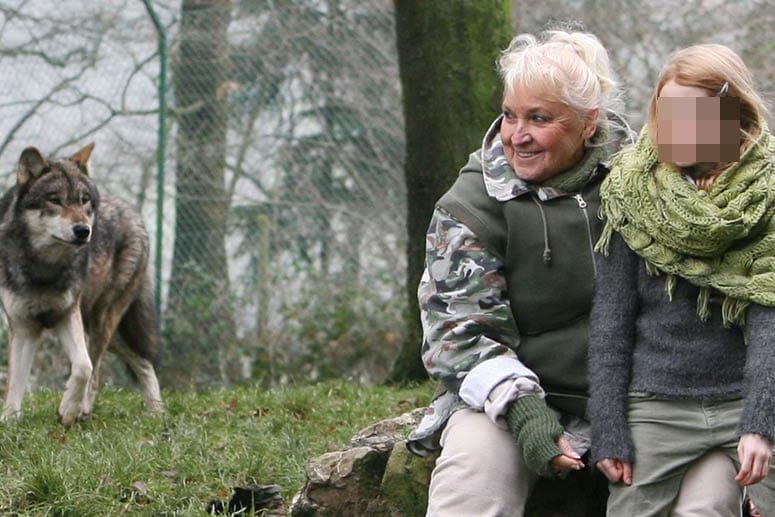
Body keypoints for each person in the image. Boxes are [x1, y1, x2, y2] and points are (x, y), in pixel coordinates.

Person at [406, 28, 737, 516]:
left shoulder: (652, 177)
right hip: (513, 395)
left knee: (707, 500)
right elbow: (459, 334)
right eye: (509, 115)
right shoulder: (473, 205)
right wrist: (524, 413)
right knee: (472, 488)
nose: (517, 135)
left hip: (652, 398)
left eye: (539, 118)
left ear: (588, 123)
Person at [589, 43, 775, 516]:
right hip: (656, 404)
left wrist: (760, 423)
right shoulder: (631, 194)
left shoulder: (767, 199)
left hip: (744, 398)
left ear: (734, 117)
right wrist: (608, 428)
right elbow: (611, 320)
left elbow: (769, 320)